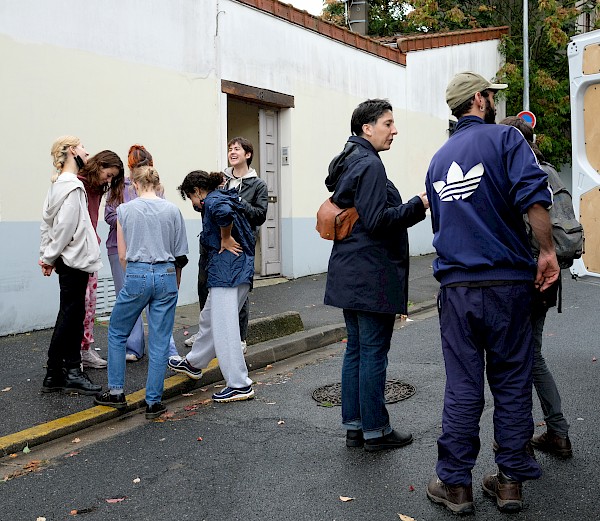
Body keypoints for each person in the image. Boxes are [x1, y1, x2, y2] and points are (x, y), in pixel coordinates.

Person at [424, 72, 560, 515]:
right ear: (480, 100)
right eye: (491, 96)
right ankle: (509, 482)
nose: (494, 103)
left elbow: (440, 227)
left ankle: (456, 485)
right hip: (507, 284)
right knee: (512, 381)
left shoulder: (438, 159)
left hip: (457, 288)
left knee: (462, 385)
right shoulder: (506, 140)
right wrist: (546, 251)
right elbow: (534, 198)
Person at [323, 99, 428, 452]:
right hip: (371, 275)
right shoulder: (369, 164)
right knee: (372, 352)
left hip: (350, 271)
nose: (394, 130)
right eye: (388, 123)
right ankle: (376, 430)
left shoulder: (349, 160)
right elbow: (377, 220)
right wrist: (418, 204)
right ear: (367, 128)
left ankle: (355, 425)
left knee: (356, 350)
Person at [500, 116, 572, 458]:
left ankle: (551, 432)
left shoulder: (522, 172)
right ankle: (553, 432)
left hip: (529, 272)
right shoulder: (549, 170)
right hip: (552, 272)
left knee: (525, 356)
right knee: (531, 352)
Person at [94, 165, 188, 419]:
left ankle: (116, 392)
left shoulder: (125, 210)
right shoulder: (172, 210)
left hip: (136, 273)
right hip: (167, 273)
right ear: (157, 184)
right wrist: (174, 282)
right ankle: (153, 402)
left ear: (134, 185)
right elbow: (180, 254)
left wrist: (134, 274)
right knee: (159, 338)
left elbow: (122, 255)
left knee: (117, 330)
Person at [169, 171, 256, 403]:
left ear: (197, 191)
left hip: (228, 271)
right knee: (210, 319)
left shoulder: (213, 200)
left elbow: (223, 214)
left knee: (224, 327)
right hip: (236, 270)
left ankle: (239, 384)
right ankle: (194, 363)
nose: (194, 204)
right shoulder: (223, 196)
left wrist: (225, 237)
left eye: (191, 198)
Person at [184, 138, 268, 354]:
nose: (232, 152)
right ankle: (205, 335)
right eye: (230, 149)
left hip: (239, 245)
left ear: (248, 154)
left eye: (237, 149)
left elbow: (259, 216)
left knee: (237, 292)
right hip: (211, 244)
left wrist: (237, 200)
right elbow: (204, 207)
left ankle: (239, 337)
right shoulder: (221, 180)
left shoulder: (257, 184)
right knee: (205, 286)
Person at [104, 144, 181, 362]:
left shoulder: (158, 187)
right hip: (120, 247)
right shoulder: (118, 187)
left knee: (155, 303)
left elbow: (163, 216)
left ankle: (166, 347)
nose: (142, 170)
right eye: (139, 166)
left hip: (152, 249)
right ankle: (133, 346)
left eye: (145, 165)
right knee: (128, 299)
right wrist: (130, 217)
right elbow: (109, 216)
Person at [39, 135, 103, 395]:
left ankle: (55, 374)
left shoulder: (56, 186)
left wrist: (47, 254)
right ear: (73, 151)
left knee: (68, 315)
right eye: (83, 148)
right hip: (75, 260)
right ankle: (71, 372)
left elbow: (47, 223)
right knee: (72, 318)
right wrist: (49, 256)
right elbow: (64, 227)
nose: (87, 152)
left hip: (65, 260)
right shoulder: (73, 187)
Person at [78, 150, 123, 369]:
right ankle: (73, 354)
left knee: (90, 304)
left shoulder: (96, 187)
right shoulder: (77, 184)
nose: (109, 180)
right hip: (77, 252)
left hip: (91, 249)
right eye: (109, 174)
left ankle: (84, 350)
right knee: (78, 305)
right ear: (99, 165)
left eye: (113, 177)